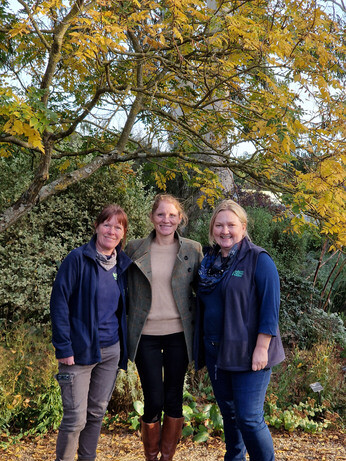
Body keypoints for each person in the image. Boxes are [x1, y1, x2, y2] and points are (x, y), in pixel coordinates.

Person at [194, 199, 285, 461]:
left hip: (249, 353)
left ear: (243, 228)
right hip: (216, 353)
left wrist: (261, 347)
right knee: (230, 418)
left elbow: (270, 307)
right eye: (219, 225)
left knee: (249, 418)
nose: (225, 231)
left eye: (231, 225)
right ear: (212, 229)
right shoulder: (208, 263)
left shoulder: (259, 259)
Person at [50, 204, 132, 461]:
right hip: (78, 351)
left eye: (117, 227)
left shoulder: (123, 266)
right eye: (106, 224)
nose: (111, 230)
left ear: (123, 234)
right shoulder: (77, 259)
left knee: (96, 413)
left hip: (110, 351)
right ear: (96, 227)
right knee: (75, 418)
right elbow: (59, 302)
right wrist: (63, 347)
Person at [126, 194, 203, 461]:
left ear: (180, 218)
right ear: (151, 217)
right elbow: (120, 290)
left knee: (173, 397)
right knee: (153, 399)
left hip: (178, 335)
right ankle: (150, 457)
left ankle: (167, 457)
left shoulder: (192, 249)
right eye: (161, 214)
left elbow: (202, 292)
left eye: (172, 215)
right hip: (145, 335)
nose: (166, 220)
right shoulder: (134, 248)